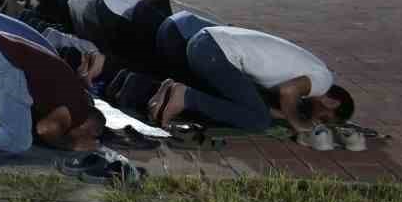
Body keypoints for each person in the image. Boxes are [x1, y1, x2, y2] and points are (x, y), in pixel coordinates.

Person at [149, 26, 355, 136]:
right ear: (331, 102)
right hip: (213, 52)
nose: (318, 121)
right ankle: (186, 97)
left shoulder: (310, 74)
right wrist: (299, 125)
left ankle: (171, 88)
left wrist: (286, 117)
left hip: (204, 44)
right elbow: (288, 92)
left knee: (255, 112)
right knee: (258, 121)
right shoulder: (323, 81)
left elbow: (260, 103)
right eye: (325, 118)